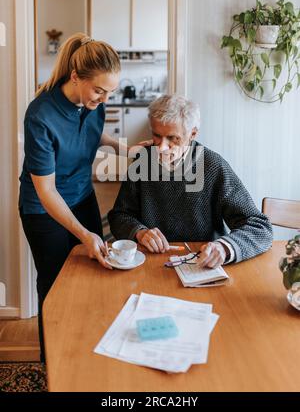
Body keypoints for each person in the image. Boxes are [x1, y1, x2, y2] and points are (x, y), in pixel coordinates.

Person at [19, 33, 132, 362]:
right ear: (75, 77)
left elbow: (91, 130)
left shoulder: (91, 101)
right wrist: (83, 234)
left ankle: (85, 352)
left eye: (109, 91)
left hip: (82, 197)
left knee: (93, 271)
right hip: (44, 211)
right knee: (56, 284)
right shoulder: (40, 116)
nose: (104, 98)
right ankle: (52, 360)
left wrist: (120, 147)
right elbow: (46, 191)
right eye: (99, 90)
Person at [107, 95, 273, 267]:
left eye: (173, 138)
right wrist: (139, 232)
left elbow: (260, 227)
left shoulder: (213, 166)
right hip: (150, 262)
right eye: (157, 136)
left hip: (202, 264)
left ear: (192, 133)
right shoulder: (143, 162)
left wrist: (224, 248)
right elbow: (119, 216)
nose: (162, 147)